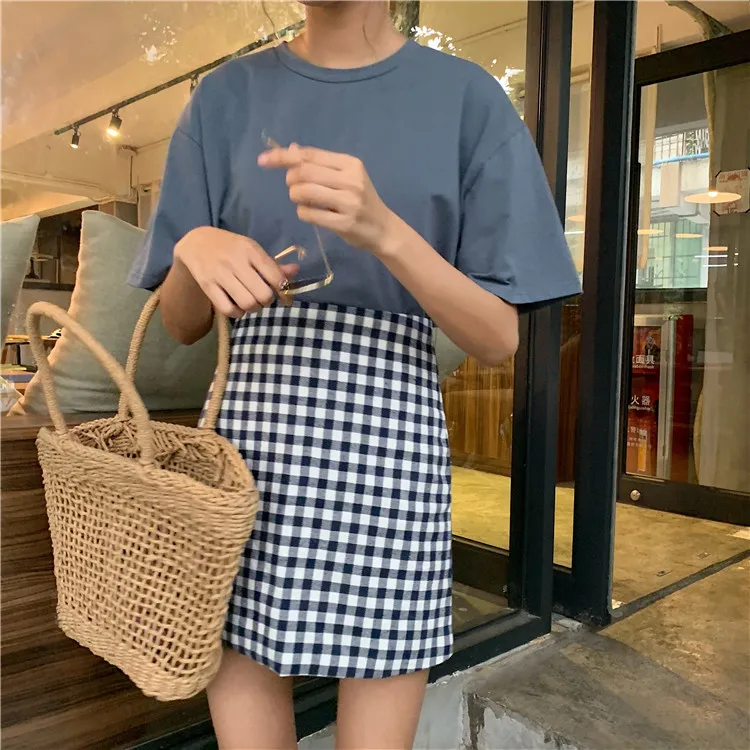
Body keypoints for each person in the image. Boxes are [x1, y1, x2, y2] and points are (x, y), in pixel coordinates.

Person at [129, 2, 581, 748]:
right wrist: (193, 248)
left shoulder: (466, 99)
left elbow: (498, 338)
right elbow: (182, 324)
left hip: (390, 449)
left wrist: (386, 233)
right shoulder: (224, 97)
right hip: (247, 451)